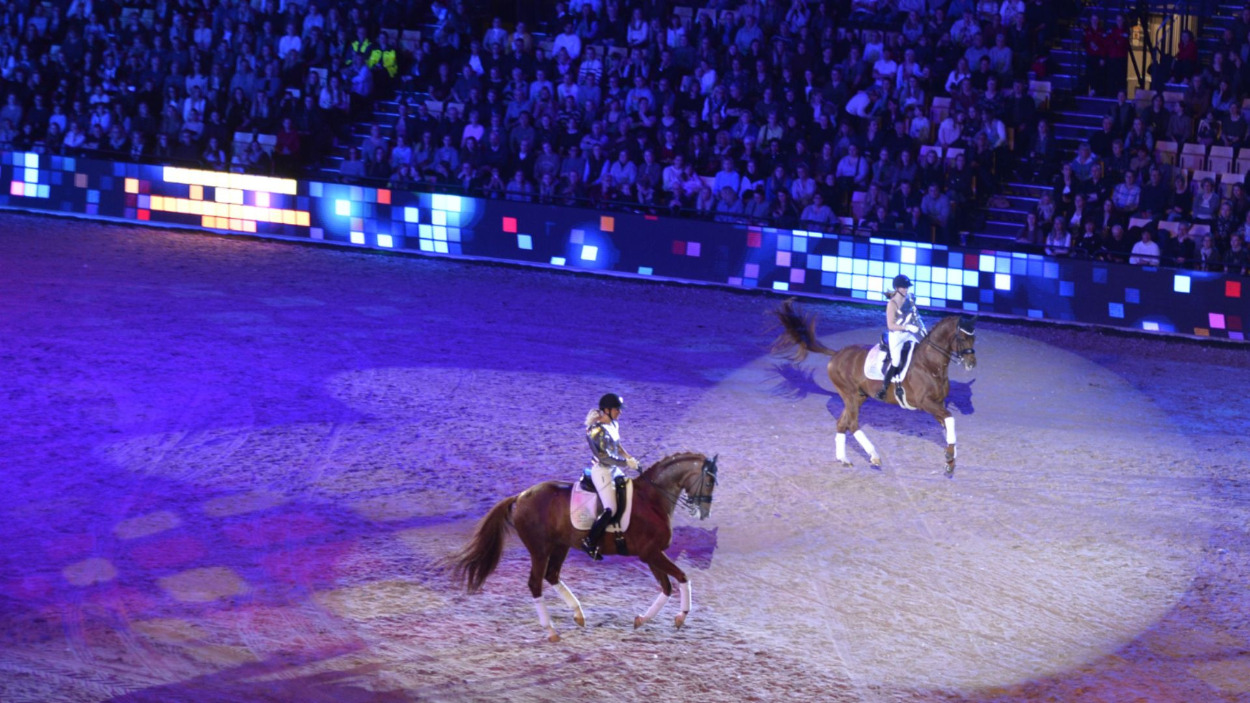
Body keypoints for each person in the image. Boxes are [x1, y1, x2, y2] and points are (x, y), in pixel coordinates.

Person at [581, 393, 639, 560]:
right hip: (603, 470)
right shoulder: (595, 431)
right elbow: (604, 457)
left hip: (614, 468)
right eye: (617, 409)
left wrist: (629, 458)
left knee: (630, 490)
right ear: (606, 410)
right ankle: (589, 541)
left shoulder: (614, 424)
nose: (619, 412)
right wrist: (625, 463)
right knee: (610, 508)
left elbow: (617, 446)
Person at [876, 275, 923, 401]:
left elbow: (916, 316)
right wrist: (907, 327)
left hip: (908, 333)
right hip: (896, 335)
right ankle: (884, 389)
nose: (906, 289)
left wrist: (922, 329)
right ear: (896, 288)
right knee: (896, 360)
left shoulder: (910, 299)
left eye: (907, 287)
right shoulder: (892, 304)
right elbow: (890, 325)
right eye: (903, 287)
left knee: (922, 350)